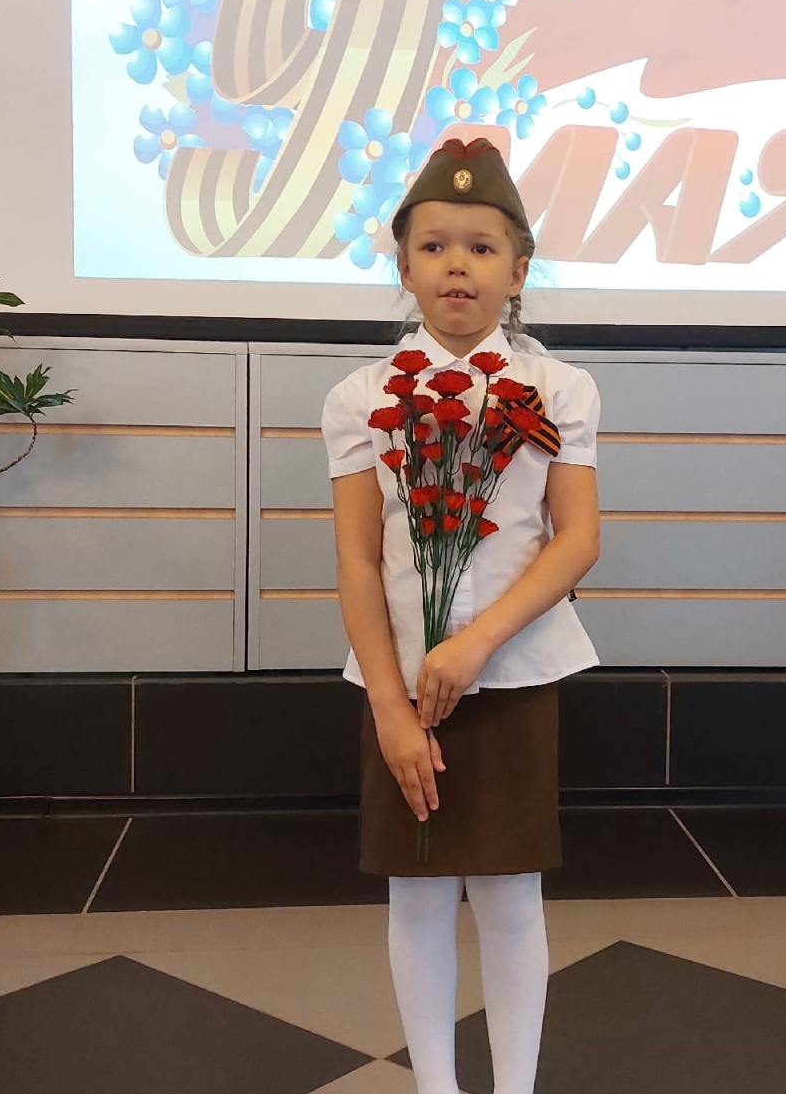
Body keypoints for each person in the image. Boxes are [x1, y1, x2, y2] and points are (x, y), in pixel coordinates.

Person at [322, 138, 603, 1094]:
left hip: (513, 674)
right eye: (434, 246)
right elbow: (358, 561)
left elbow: (576, 538)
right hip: (400, 684)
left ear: (518, 271)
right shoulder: (361, 398)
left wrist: (477, 640)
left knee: (512, 897)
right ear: (403, 265)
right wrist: (391, 706)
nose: (457, 266)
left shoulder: (559, 390)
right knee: (417, 897)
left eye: (483, 248)